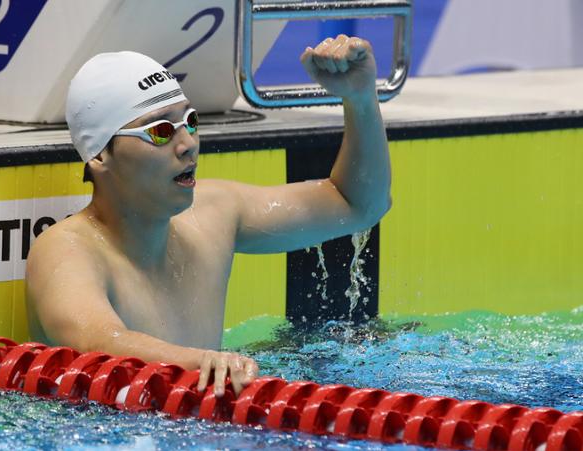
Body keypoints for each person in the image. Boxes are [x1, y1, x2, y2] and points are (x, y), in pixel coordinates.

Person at [25, 35, 391, 397]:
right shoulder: (66, 250)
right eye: (160, 131)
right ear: (100, 156)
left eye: (190, 121)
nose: (187, 144)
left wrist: (359, 99)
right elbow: (97, 340)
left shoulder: (213, 213)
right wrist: (203, 362)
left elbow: (356, 204)